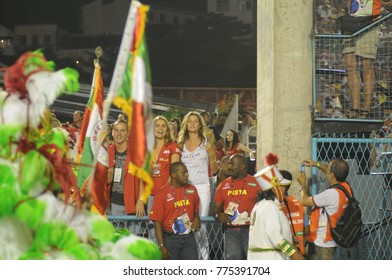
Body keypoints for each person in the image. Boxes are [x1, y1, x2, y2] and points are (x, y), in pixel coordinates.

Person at [178, 111, 219, 260]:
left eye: (196, 121)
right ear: (186, 125)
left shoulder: (206, 144)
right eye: (190, 121)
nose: (193, 124)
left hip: (202, 188)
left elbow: (215, 170)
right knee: (186, 224)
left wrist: (212, 156)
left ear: (200, 124)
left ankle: (204, 260)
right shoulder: (180, 144)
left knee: (200, 227)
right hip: (185, 189)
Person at [248, 153, 304, 260]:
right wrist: (293, 253)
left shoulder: (260, 205)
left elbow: (266, 232)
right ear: (274, 189)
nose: (285, 190)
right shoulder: (270, 208)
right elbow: (276, 237)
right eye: (282, 187)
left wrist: (288, 236)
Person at [297, 158, 352, 260]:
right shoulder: (346, 187)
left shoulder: (331, 194)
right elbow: (329, 171)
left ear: (332, 175)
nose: (326, 169)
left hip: (322, 243)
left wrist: (302, 185)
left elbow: (304, 201)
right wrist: (315, 164)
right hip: (333, 240)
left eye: (329, 168)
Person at [342, 0, 387, 118]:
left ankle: (366, 109)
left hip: (370, 24)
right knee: (350, 65)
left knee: (367, 65)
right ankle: (355, 108)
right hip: (350, 24)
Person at [149, 162, 201, 260]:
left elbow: (196, 208)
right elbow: (157, 223)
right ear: (173, 174)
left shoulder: (192, 189)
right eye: (183, 172)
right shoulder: (162, 193)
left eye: (187, 172)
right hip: (170, 238)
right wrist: (161, 246)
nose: (187, 175)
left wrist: (197, 217)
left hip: (188, 237)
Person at [213, 154, 261, 260]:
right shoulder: (223, 185)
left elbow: (264, 206)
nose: (229, 167)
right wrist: (218, 214)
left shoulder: (256, 183)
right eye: (229, 163)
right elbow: (216, 209)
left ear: (242, 166)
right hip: (231, 231)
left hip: (251, 230)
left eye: (232, 164)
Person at [107, 119, 145, 232]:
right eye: (117, 130)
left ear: (128, 133)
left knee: (133, 240)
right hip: (115, 202)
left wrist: (141, 201)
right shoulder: (108, 150)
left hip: (133, 203)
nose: (119, 134)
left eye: (122, 131)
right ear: (112, 132)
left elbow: (143, 179)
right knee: (118, 239)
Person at [148, 116, 181, 242]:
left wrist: (163, 193)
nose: (160, 129)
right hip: (151, 195)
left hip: (168, 194)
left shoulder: (173, 146)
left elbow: (174, 173)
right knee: (152, 229)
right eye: (157, 125)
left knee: (168, 227)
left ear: (167, 130)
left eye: (163, 126)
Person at [279, 170, 309, 256]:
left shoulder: (275, 206)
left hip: (284, 253)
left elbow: (275, 236)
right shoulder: (297, 203)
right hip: (299, 251)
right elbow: (307, 230)